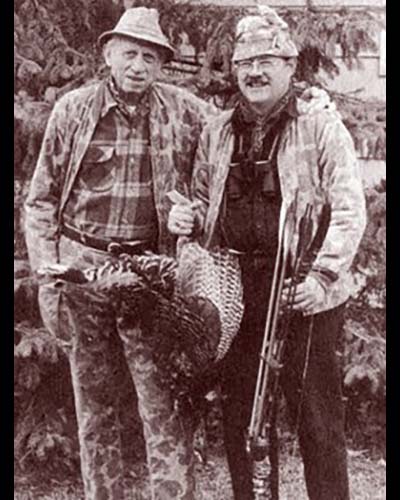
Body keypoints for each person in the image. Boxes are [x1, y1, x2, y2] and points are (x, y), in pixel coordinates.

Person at [25, 6, 336, 500]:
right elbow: (40, 199)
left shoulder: (184, 111)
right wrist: (49, 275)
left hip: (150, 281)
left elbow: (246, 119)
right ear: (109, 54)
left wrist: (306, 102)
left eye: (150, 58)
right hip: (82, 272)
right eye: (130, 54)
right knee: (96, 410)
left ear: (161, 64)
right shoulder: (72, 112)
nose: (138, 66)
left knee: (164, 408)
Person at [168, 6, 367, 500]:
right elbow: (203, 202)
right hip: (236, 293)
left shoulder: (320, 126)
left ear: (289, 65)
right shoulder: (217, 131)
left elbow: (349, 208)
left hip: (303, 290)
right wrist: (187, 220)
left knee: (317, 421)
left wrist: (322, 278)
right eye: (244, 63)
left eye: (266, 61)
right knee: (244, 418)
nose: (254, 72)